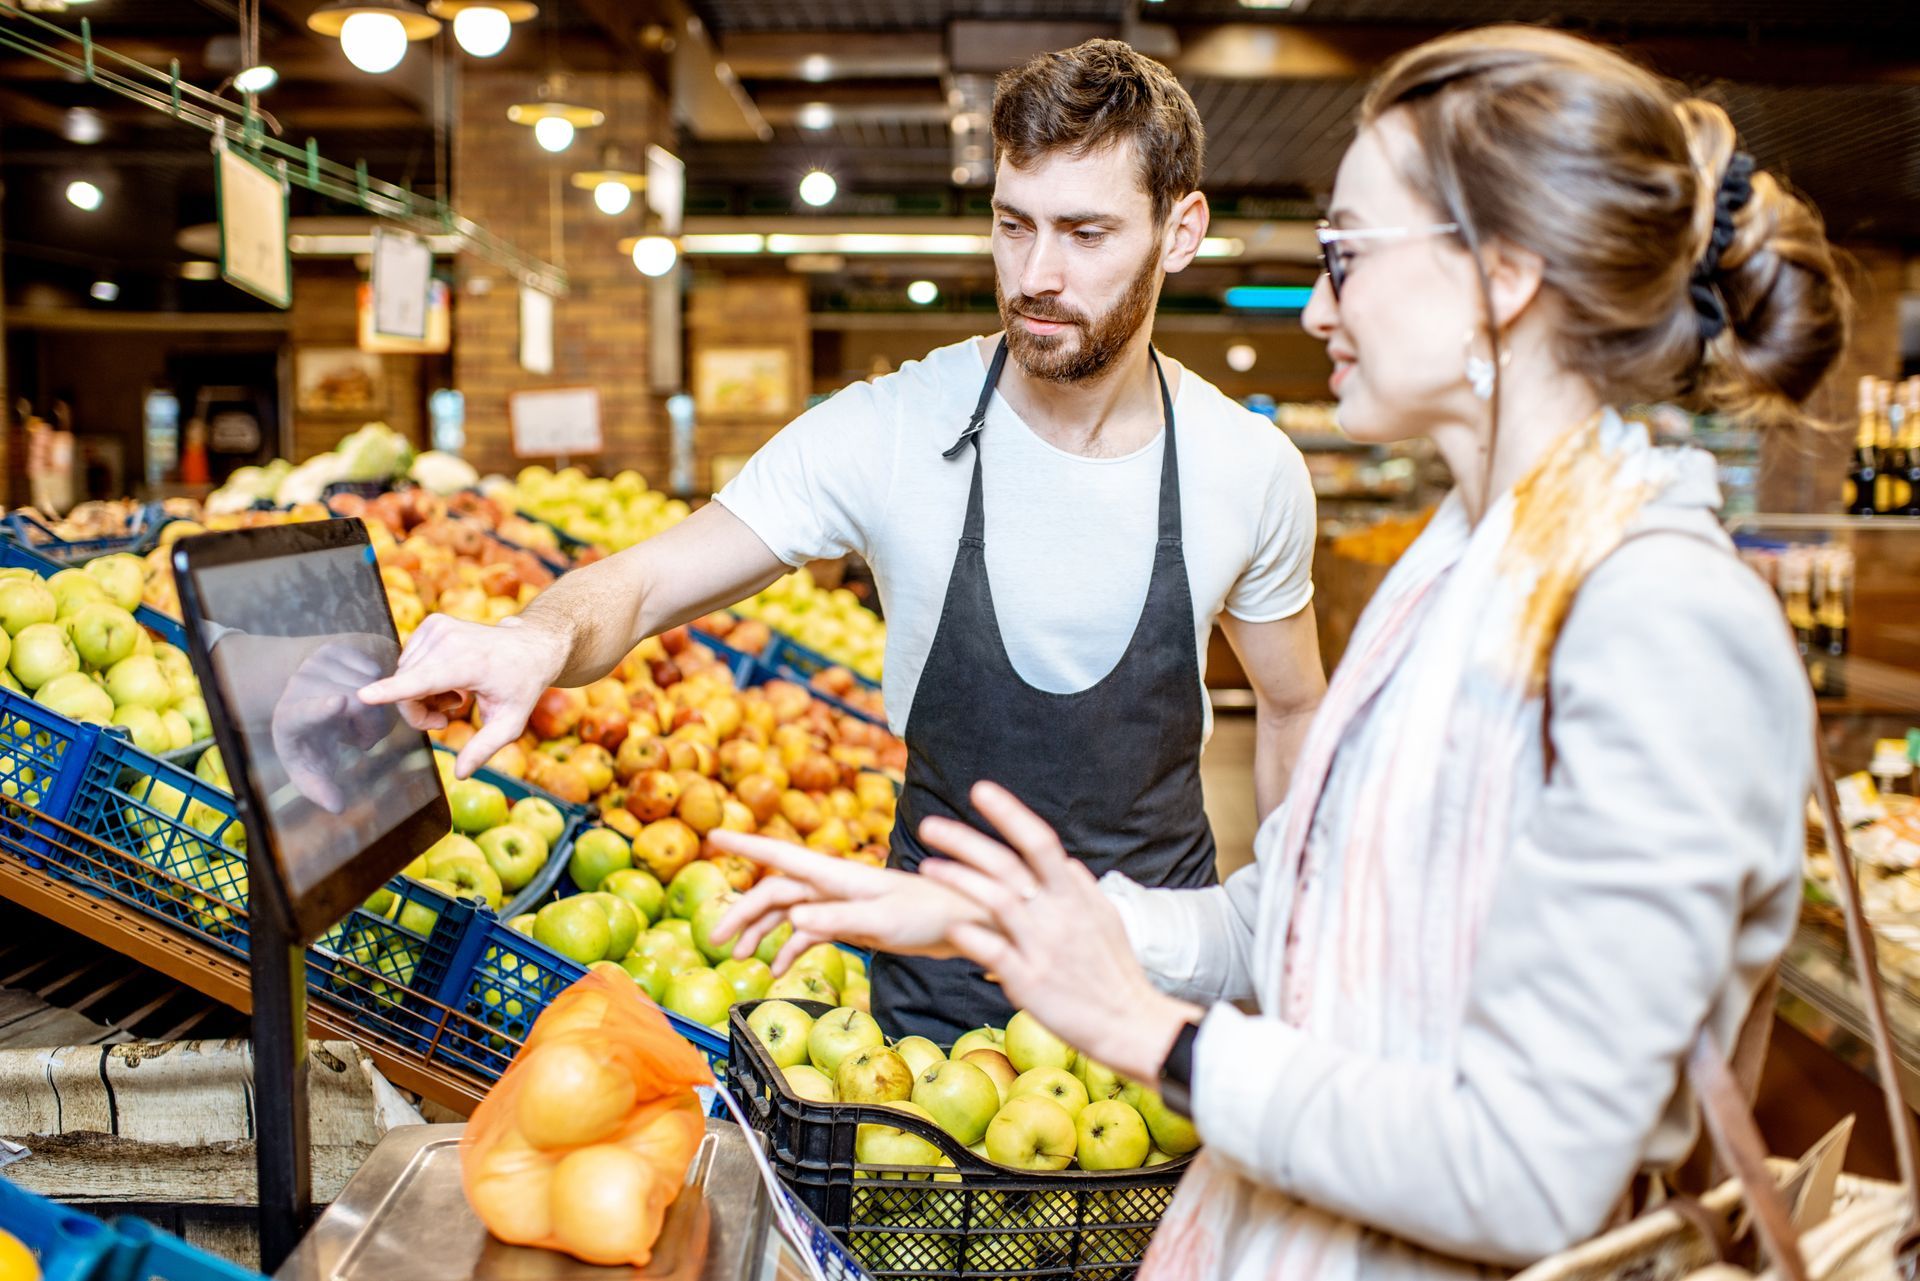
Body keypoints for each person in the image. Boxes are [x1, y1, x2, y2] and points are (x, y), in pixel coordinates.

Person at [711, 24, 1847, 1281]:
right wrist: (986, 916)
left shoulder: (1659, 622)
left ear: (1505, 274)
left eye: (1347, 256)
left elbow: (1532, 1169)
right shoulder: (1471, 565)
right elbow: (1303, 917)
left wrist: (1157, 1039)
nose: (1314, 305)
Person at [361, 39, 1327, 1041]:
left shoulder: (1244, 468)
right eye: (1013, 225)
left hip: (1159, 988)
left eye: (1086, 233)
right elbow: (649, 583)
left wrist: (1294, 954)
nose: (1037, 274)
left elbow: (1294, 705)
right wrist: (538, 636)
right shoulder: (894, 429)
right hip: (939, 1007)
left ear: (1181, 231)